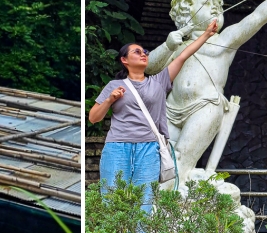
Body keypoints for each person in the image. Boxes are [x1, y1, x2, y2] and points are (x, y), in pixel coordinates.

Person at [88, 19, 219, 216]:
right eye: (137, 52)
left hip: (149, 149)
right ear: (124, 60)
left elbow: (183, 56)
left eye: (145, 52)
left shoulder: (159, 81)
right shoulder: (114, 86)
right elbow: (93, 118)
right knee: (112, 201)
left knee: (144, 203)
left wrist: (206, 34)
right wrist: (109, 100)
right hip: (117, 147)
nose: (144, 54)